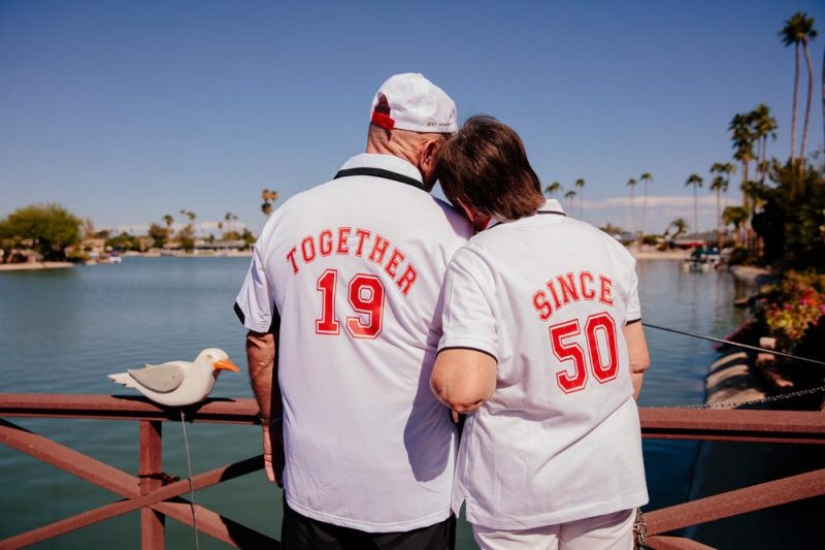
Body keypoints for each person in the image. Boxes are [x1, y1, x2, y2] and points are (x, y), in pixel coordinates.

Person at [234, 73, 473, 549]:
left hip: (312, 490)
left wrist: (271, 425)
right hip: (414, 498)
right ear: (430, 153)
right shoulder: (457, 232)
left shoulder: (288, 217)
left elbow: (261, 339)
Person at [431, 115, 650, 550]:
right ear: (524, 170)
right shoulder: (608, 248)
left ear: (466, 202)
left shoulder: (479, 259)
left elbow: (464, 388)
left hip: (519, 489)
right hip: (609, 478)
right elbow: (636, 362)